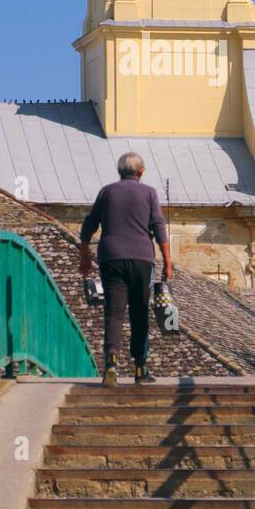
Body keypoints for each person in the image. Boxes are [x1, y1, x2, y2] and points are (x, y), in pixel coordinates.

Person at [79, 152, 173, 386]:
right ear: (141, 172)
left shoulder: (106, 192)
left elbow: (89, 226)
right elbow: (159, 227)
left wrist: (85, 256)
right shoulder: (149, 193)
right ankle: (140, 369)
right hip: (142, 258)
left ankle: (111, 362)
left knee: (114, 312)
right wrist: (168, 262)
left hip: (111, 258)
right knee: (139, 311)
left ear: (120, 171)